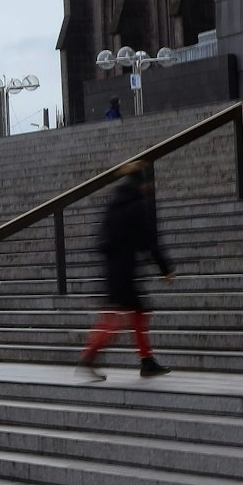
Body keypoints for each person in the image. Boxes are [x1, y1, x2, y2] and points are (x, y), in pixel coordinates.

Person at [76, 161, 175, 381]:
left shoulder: (115, 202)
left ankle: (146, 360)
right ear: (142, 184)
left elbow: (103, 238)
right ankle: (90, 357)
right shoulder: (138, 205)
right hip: (125, 269)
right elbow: (149, 239)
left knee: (128, 313)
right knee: (120, 317)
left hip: (113, 269)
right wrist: (165, 268)